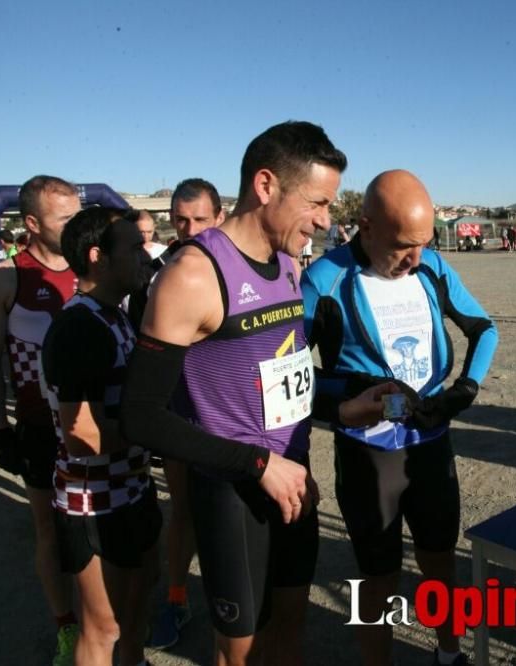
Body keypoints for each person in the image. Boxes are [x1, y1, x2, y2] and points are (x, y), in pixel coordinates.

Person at [120, 121, 390, 666]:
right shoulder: (194, 274)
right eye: (316, 202)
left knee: (289, 632)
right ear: (266, 185)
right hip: (234, 494)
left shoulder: (290, 265)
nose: (325, 219)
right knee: (239, 654)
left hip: (292, 478)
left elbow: (274, 380)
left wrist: (336, 409)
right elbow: (140, 416)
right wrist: (258, 464)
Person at [302, 169, 499, 666]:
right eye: (402, 247)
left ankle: (449, 653)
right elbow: (286, 372)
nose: (414, 258)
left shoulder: (431, 267)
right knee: (378, 574)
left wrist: (466, 388)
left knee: (438, 559)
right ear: (365, 227)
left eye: (423, 243)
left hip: (431, 443)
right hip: (369, 454)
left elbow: (485, 329)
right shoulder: (324, 279)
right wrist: (345, 397)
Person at [41, 206, 160, 666]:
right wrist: (161, 430)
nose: (145, 255)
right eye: (134, 247)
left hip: (132, 488)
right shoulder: (78, 326)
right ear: (98, 257)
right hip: (93, 501)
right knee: (103, 627)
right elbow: (80, 435)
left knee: (134, 612)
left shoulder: (116, 315)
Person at [0, 175, 83, 665]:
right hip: (40, 430)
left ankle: (103, 622)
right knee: (48, 530)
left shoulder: (94, 266)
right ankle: (65, 628)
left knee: (97, 530)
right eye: (66, 219)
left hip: (94, 426)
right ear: (33, 224)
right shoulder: (3, 279)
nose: (77, 225)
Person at [142, 177, 226, 650]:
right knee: (183, 510)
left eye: (200, 219)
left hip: (229, 414)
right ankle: (177, 598)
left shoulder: (237, 265)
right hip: (178, 410)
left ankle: (232, 598)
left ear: (218, 217)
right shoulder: (158, 268)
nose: (190, 228)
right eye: (181, 219)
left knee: (227, 513)